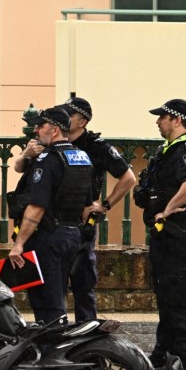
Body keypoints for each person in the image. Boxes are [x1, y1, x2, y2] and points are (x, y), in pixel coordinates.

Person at [134, 98, 186, 370]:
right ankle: (163, 352)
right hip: (171, 232)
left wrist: (166, 210)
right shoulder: (170, 149)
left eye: (162, 117)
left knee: (180, 298)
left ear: (177, 120)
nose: (158, 122)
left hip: (182, 230)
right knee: (166, 295)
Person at [7, 105, 94, 326]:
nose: (36, 131)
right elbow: (87, 205)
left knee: (47, 301)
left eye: (40, 126)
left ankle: (54, 353)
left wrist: (19, 244)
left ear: (54, 129)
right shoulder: (81, 157)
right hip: (72, 235)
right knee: (58, 294)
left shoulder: (48, 160)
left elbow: (36, 207)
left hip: (48, 237)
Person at [63, 96, 137, 322]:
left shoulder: (97, 146)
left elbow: (128, 178)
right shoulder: (55, 141)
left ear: (82, 121)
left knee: (83, 283)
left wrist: (104, 205)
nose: (64, 119)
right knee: (53, 284)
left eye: (69, 114)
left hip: (82, 222)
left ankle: (88, 336)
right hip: (55, 221)